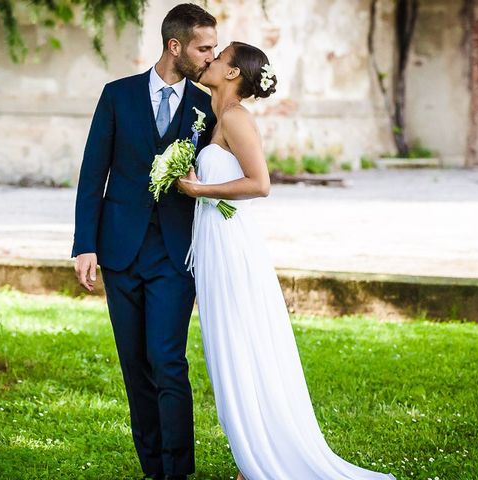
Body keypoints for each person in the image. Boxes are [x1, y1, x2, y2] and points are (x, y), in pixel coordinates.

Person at [176, 41, 396, 480]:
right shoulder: (218, 115)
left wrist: (200, 190)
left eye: (219, 58)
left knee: (244, 342)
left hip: (234, 246)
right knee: (231, 344)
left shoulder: (236, 118)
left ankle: (264, 449)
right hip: (217, 242)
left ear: (234, 73)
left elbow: (260, 184)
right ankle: (253, 447)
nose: (210, 60)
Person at [72, 4, 217, 479]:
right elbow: (94, 173)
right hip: (120, 252)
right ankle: (152, 469)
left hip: (176, 256)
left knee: (167, 361)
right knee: (135, 367)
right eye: (203, 48)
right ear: (175, 46)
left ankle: (178, 472)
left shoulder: (206, 107)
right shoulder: (117, 96)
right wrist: (85, 244)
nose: (210, 57)